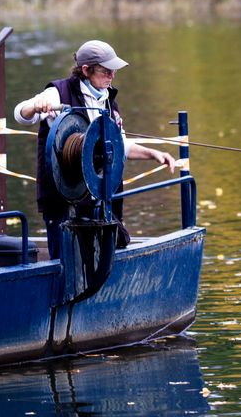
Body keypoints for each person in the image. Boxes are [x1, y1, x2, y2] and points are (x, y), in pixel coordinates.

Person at [14, 39, 175, 259]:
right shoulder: (58, 92)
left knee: (101, 256)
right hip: (64, 197)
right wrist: (34, 105)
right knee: (65, 259)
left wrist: (154, 154)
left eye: (114, 71)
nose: (112, 76)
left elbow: (120, 145)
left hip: (99, 198)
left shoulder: (109, 102)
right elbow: (20, 115)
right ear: (86, 70)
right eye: (106, 71)